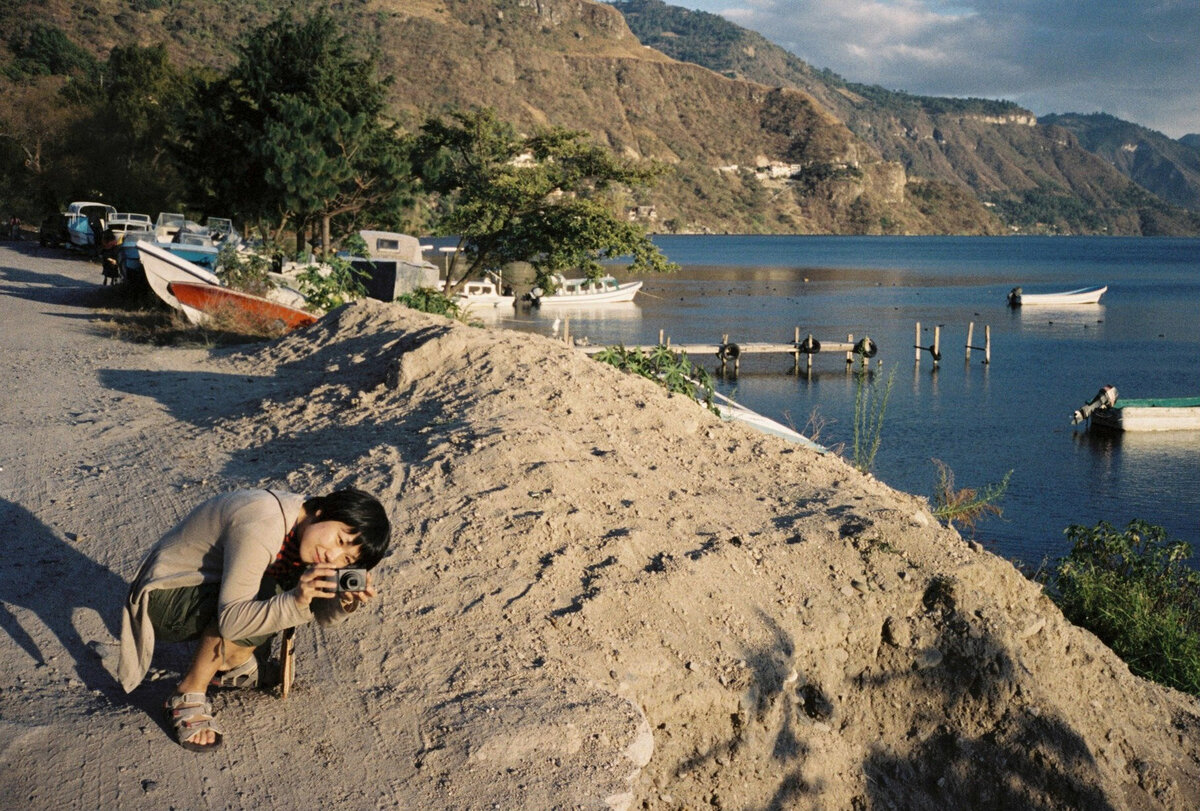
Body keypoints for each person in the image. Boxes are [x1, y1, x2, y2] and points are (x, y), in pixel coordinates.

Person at [118, 487, 390, 752]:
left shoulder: (303, 528)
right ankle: (189, 692)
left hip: (210, 586)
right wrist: (296, 599)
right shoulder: (264, 523)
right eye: (340, 540)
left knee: (289, 587)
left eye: (346, 560)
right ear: (322, 511)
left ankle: (235, 663)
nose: (332, 556)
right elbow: (232, 621)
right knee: (271, 594)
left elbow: (322, 618)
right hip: (164, 601)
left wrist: (342, 601)